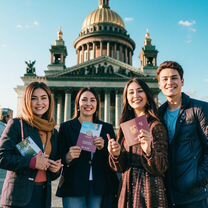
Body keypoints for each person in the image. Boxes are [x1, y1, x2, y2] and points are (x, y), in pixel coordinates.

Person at [0, 82, 62, 208]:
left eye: (44, 98)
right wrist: (32, 162)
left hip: (42, 196)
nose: (39, 103)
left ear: (50, 101)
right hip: (18, 197)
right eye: (34, 98)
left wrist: (56, 169)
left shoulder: (52, 131)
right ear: (27, 101)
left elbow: (51, 168)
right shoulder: (17, 124)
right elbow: (2, 156)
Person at [108, 78, 168, 208]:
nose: (135, 96)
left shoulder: (155, 126)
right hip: (128, 190)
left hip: (149, 192)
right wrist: (116, 154)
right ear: (126, 98)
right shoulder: (126, 126)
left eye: (140, 91)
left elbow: (162, 167)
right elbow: (120, 167)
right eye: (131, 92)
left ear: (147, 95)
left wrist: (149, 151)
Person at [56, 87, 119, 208]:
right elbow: (59, 157)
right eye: (84, 100)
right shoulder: (66, 128)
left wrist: (105, 148)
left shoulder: (107, 128)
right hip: (73, 185)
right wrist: (68, 156)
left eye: (92, 100)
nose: (88, 104)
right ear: (78, 104)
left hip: (100, 185)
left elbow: (113, 160)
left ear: (97, 104)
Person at [157, 61, 208, 208]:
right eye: (164, 79)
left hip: (194, 195)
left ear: (182, 81)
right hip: (168, 194)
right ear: (159, 85)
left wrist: (199, 178)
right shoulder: (158, 115)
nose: (169, 82)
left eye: (174, 78)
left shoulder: (201, 109)